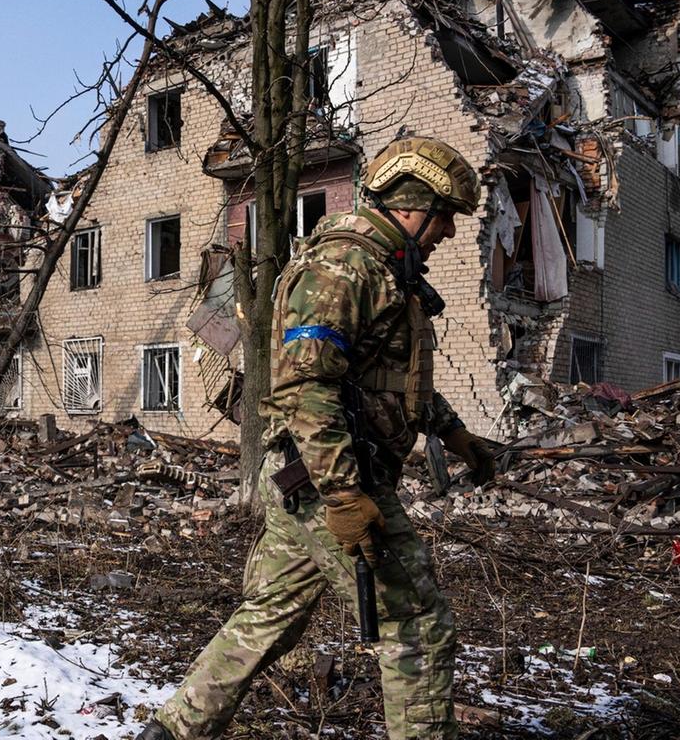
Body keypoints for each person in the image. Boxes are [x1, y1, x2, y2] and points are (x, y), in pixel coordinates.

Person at [137, 137, 498, 740]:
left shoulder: (383, 273)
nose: (449, 234)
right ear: (412, 205)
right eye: (446, 218)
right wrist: (343, 495)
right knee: (416, 626)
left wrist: (456, 435)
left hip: (308, 478)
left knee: (267, 618)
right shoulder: (342, 269)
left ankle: (174, 730)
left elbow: (389, 381)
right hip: (328, 480)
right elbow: (306, 388)